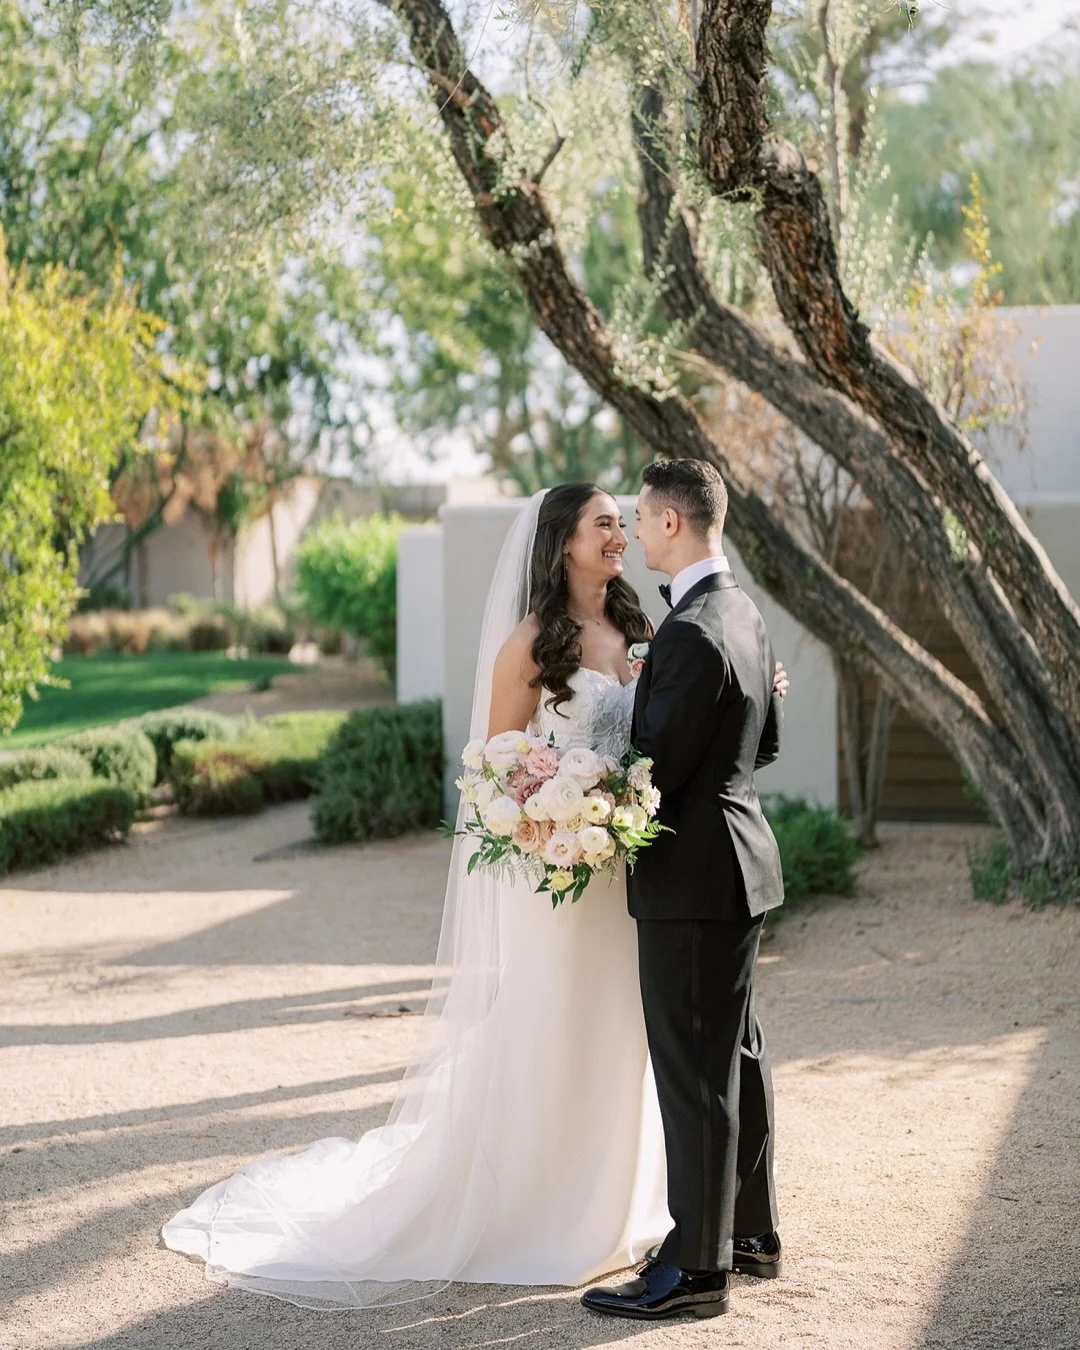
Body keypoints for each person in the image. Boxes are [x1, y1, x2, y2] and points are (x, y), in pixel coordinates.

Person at [161, 479, 787, 1311]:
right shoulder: (532, 644)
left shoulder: (651, 629)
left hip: (632, 870)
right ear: (562, 541)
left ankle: (659, 1220)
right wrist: (561, 808)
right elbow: (497, 767)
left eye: (627, 522)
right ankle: (560, 1210)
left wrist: (622, 795)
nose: (622, 537)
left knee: (655, 1049)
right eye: (606, 524)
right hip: (568, 872)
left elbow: (679, 743)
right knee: (574, 1032)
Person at [581, 459, 785, 1322]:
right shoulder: (745, 616)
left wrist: (573, 788)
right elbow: (764, 744)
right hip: (739, 868)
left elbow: (651, 769)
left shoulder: (694, 630)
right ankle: (748, 1234)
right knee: (734, 1056)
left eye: (639, 516)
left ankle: (696, 1270)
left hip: (693, 880)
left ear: (670, 523)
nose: (633, 530)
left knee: (693, 1073)